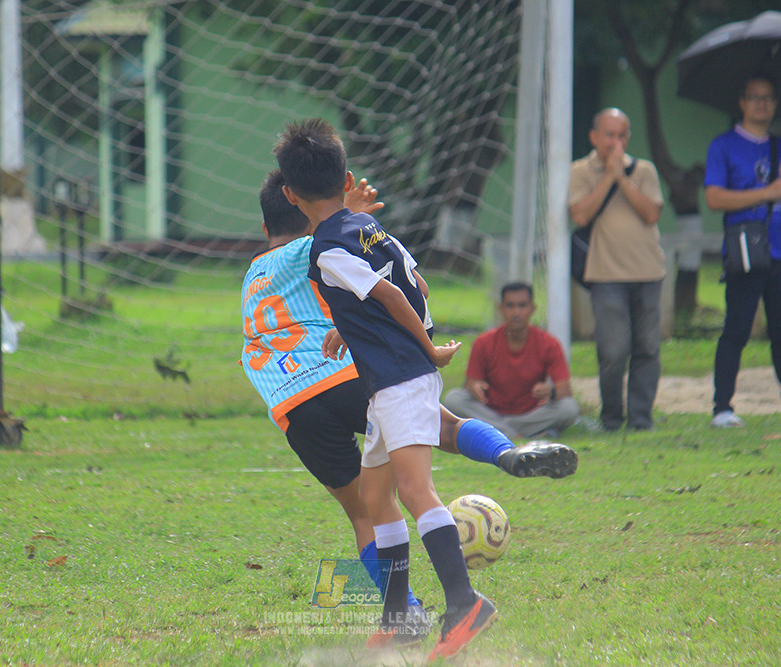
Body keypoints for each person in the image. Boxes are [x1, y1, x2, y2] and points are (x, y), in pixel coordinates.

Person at [241, 170, 576, 641]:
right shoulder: (313, 246)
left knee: (366, 510)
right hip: (339, 374)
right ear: (303, 208)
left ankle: (405, 614)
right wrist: (346, 214)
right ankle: (506, 455)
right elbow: (373, 271)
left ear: (263, 230)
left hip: (288, 403)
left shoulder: (252, 275)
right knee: (439, 429)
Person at [274, 118, 496, 660]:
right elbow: (413, 283)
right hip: (386, 384)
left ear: (289, 195)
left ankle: (464, 604)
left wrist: (427, 348)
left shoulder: (324, 249)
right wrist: (343, 332)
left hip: (398, 379)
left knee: (416, 492)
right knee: (376, 499)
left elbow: (393, 298)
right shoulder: (370, 228)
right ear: (345, 177)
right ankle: (398, 617)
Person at [704, 75, 781, 427]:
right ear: (742, 103)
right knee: (737, 328)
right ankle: (722, 407)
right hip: (746, 248)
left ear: (776, 104)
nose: (761, 104)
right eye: (754, 97)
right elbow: (714, 197)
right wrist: (765, 192)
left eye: (768, 97)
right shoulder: (723, 145)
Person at [568, 108, 665, 431]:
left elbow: (651, 213)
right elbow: (580, 215)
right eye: (609, 135)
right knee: (613, 349)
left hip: (648, 272)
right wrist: (608, 175)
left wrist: (622, 176)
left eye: (621, 135)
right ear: (594, 137)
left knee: (648, 347)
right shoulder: (580, 171)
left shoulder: (645, 170)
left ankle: (640, 418)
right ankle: (611, 416)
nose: (615, 142)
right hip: (606, 274)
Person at [443, 282, 578, 439]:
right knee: (453, 398)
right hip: (490, 411)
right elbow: (470, 385)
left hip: (530, 415)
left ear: (532, 308)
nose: (516, 312)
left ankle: (500, 431)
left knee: (569, 408)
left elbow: (565, 391)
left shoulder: (549, 343)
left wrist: (550, 391)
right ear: (501, 308)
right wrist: (475, 388)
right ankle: (521, 434)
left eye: (522, 306)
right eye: (510, 306)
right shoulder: (484, 342)